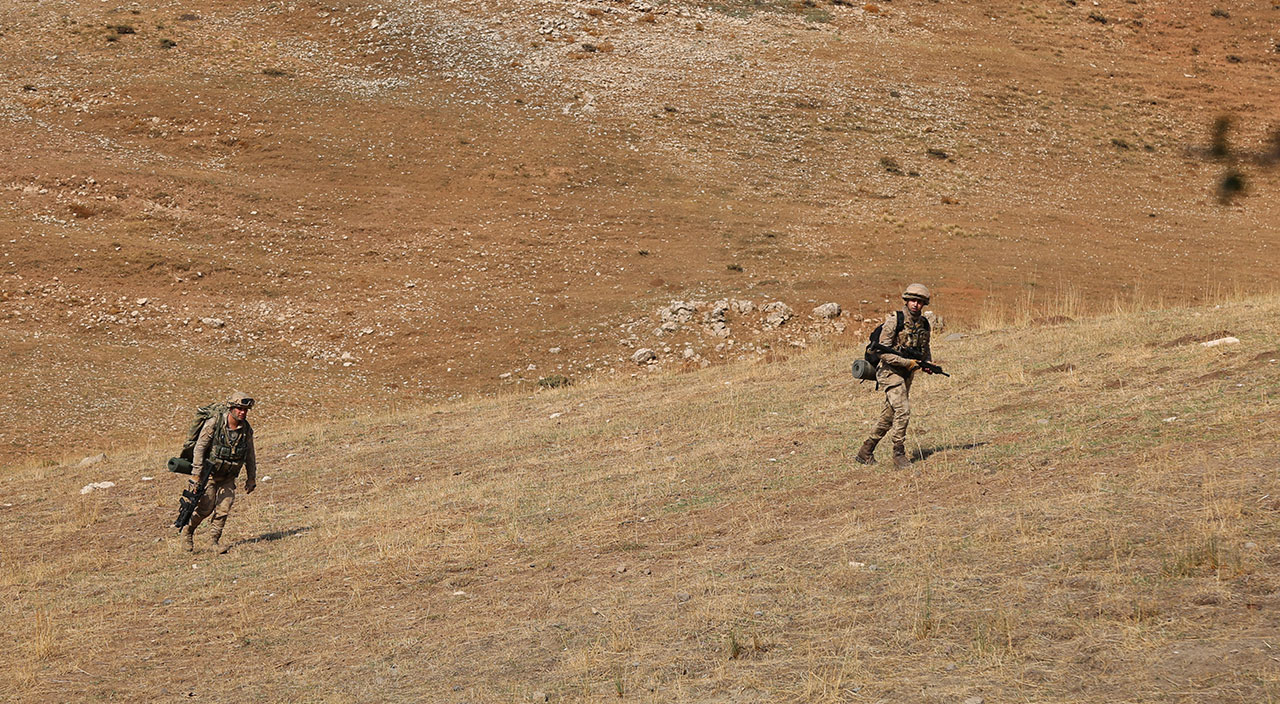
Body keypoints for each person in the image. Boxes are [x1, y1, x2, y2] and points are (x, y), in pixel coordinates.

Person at [855, 284, 933, 470]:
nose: (915, 304)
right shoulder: (894, 321)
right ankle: (899, 454)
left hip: (907, 373)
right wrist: (907, 363)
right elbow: (881, 351)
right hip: (889, 372)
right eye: (913, 300)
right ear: (906, 300)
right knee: (903, 410)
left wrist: (928, 364)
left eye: (920, 302)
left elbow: (925, 347)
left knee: (889, 416)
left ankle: (866, 451)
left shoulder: (924, 324)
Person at [180, 391, 257, 553]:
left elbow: (250, 454)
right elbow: (200, 449)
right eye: (239, 409)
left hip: (229, 476)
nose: (242, 412)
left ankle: (213, 541)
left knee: (224, 508)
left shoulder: (246, 429)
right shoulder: (215, 423)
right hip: (209, 474)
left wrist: (251, 478)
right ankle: (188, 531)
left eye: (245, 410)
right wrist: (195, 476)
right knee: (205, 509)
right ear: (231, 408)